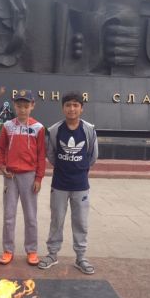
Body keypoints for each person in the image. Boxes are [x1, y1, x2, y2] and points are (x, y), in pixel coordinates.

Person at [38, 91, 98, 275]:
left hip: (80, 185)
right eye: (68, 105)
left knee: (80, 222)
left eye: (75, 105)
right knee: (57, 220)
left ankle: (81, 257)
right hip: (60, 184)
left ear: (81, 108)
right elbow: (51, 154)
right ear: (63, 108)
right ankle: (52, 254)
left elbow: (92, 155)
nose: (72, 109)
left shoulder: (89, 129)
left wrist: (80, 169)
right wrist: (64, 168)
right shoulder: (55, 130)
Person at [0, 90, 46, 266]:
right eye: (19, 106)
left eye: (26, 106)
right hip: (10, 176)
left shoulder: (38, 128)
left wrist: (39, 178)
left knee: (31, 216)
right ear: (14, 106)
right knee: (9, 216)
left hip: (29, 176)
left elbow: (41, 155)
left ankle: (31, 250)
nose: (22, 109)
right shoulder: (7, 126)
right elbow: (1, 149)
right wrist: (2, 166)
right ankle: (8, 250)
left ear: (33, 106)